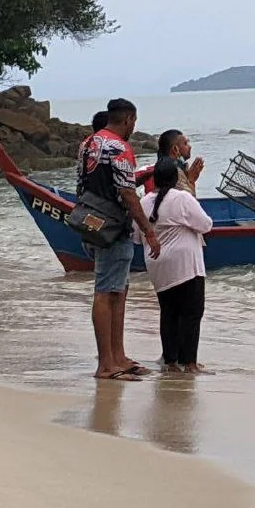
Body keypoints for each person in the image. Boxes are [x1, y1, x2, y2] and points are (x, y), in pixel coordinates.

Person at [75, 98, 159, 381]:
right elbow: (126, 193)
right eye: (134, 123)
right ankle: (106, 364)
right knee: (106, 291)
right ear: (129, 120)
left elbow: (85, 182)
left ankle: (117, 356)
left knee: (118, 290)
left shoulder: (88, 144)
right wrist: (147, 230)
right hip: (113, 228)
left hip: (91, 222)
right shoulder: (120, 147)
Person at [135, 159, 213, 374]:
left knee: (168, 312)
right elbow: (206, 224)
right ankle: (190, 363)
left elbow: (135, 235)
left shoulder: (143, 203)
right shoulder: (182, 198)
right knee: (191, 313)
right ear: (176, 178)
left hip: (157, 265)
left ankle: (171, 362)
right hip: (186, 265)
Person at [156, 129, 205, 194]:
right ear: (175, 149)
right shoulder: (173, 171)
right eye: (185, 144)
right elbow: (188, 200)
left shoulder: (161, 167)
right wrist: (191, 180)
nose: (190, 147)